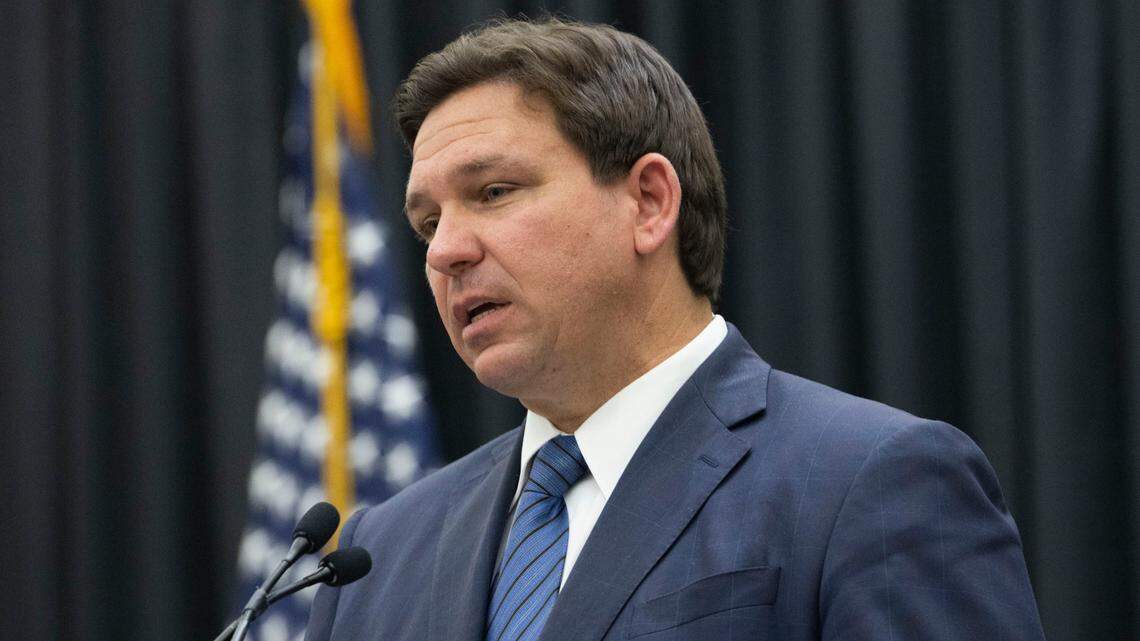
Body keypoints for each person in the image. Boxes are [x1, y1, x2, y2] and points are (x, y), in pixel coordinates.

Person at [305, 17, 1045, 641]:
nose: (445, 251)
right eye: (428, 223)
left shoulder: (872, 483)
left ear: (650, 202)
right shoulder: (375, 554)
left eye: (494, 191)